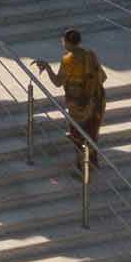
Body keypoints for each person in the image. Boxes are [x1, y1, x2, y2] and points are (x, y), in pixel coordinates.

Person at [40, 28, 106, 172]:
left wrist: (47, 68)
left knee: (78, 133)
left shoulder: (68, 60)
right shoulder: (90, 55)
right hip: (95, 100)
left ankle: (82, 166)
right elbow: (103, 77)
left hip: (78, 103)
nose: (62, 42)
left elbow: (58, 82)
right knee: (91, 132)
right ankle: (92, 162)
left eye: (63, 40)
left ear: (67, 43)